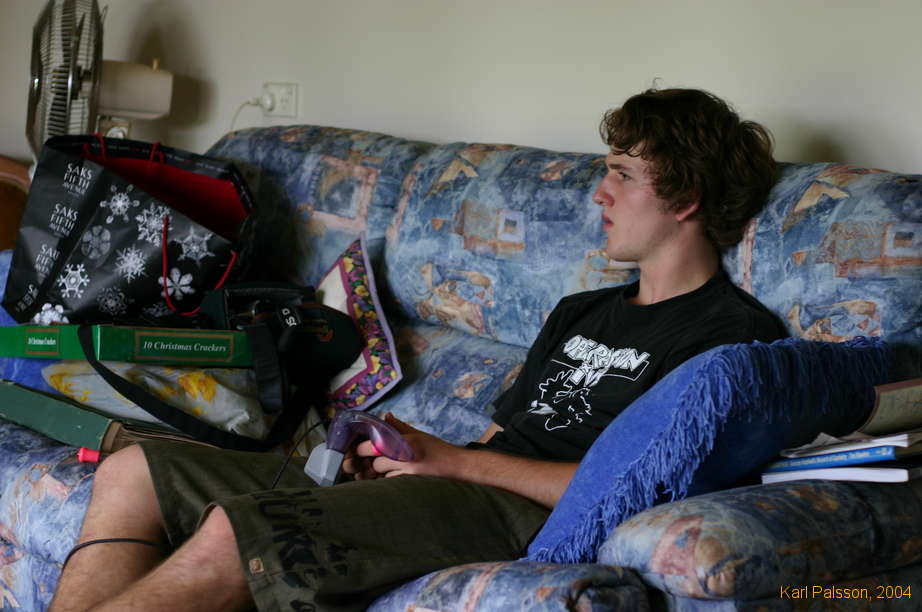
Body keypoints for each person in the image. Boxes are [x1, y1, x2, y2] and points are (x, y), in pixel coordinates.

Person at [50, 88, 788, 612]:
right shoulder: (582, 310)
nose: (599, 193)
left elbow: (639, 488)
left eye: (622, 174)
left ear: (686, 197)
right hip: (455, 485)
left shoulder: (730, 340)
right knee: (132, 471)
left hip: (519, 520)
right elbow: (501, 437)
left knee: (233, 533)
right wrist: (402, 458)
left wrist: (453, 462)